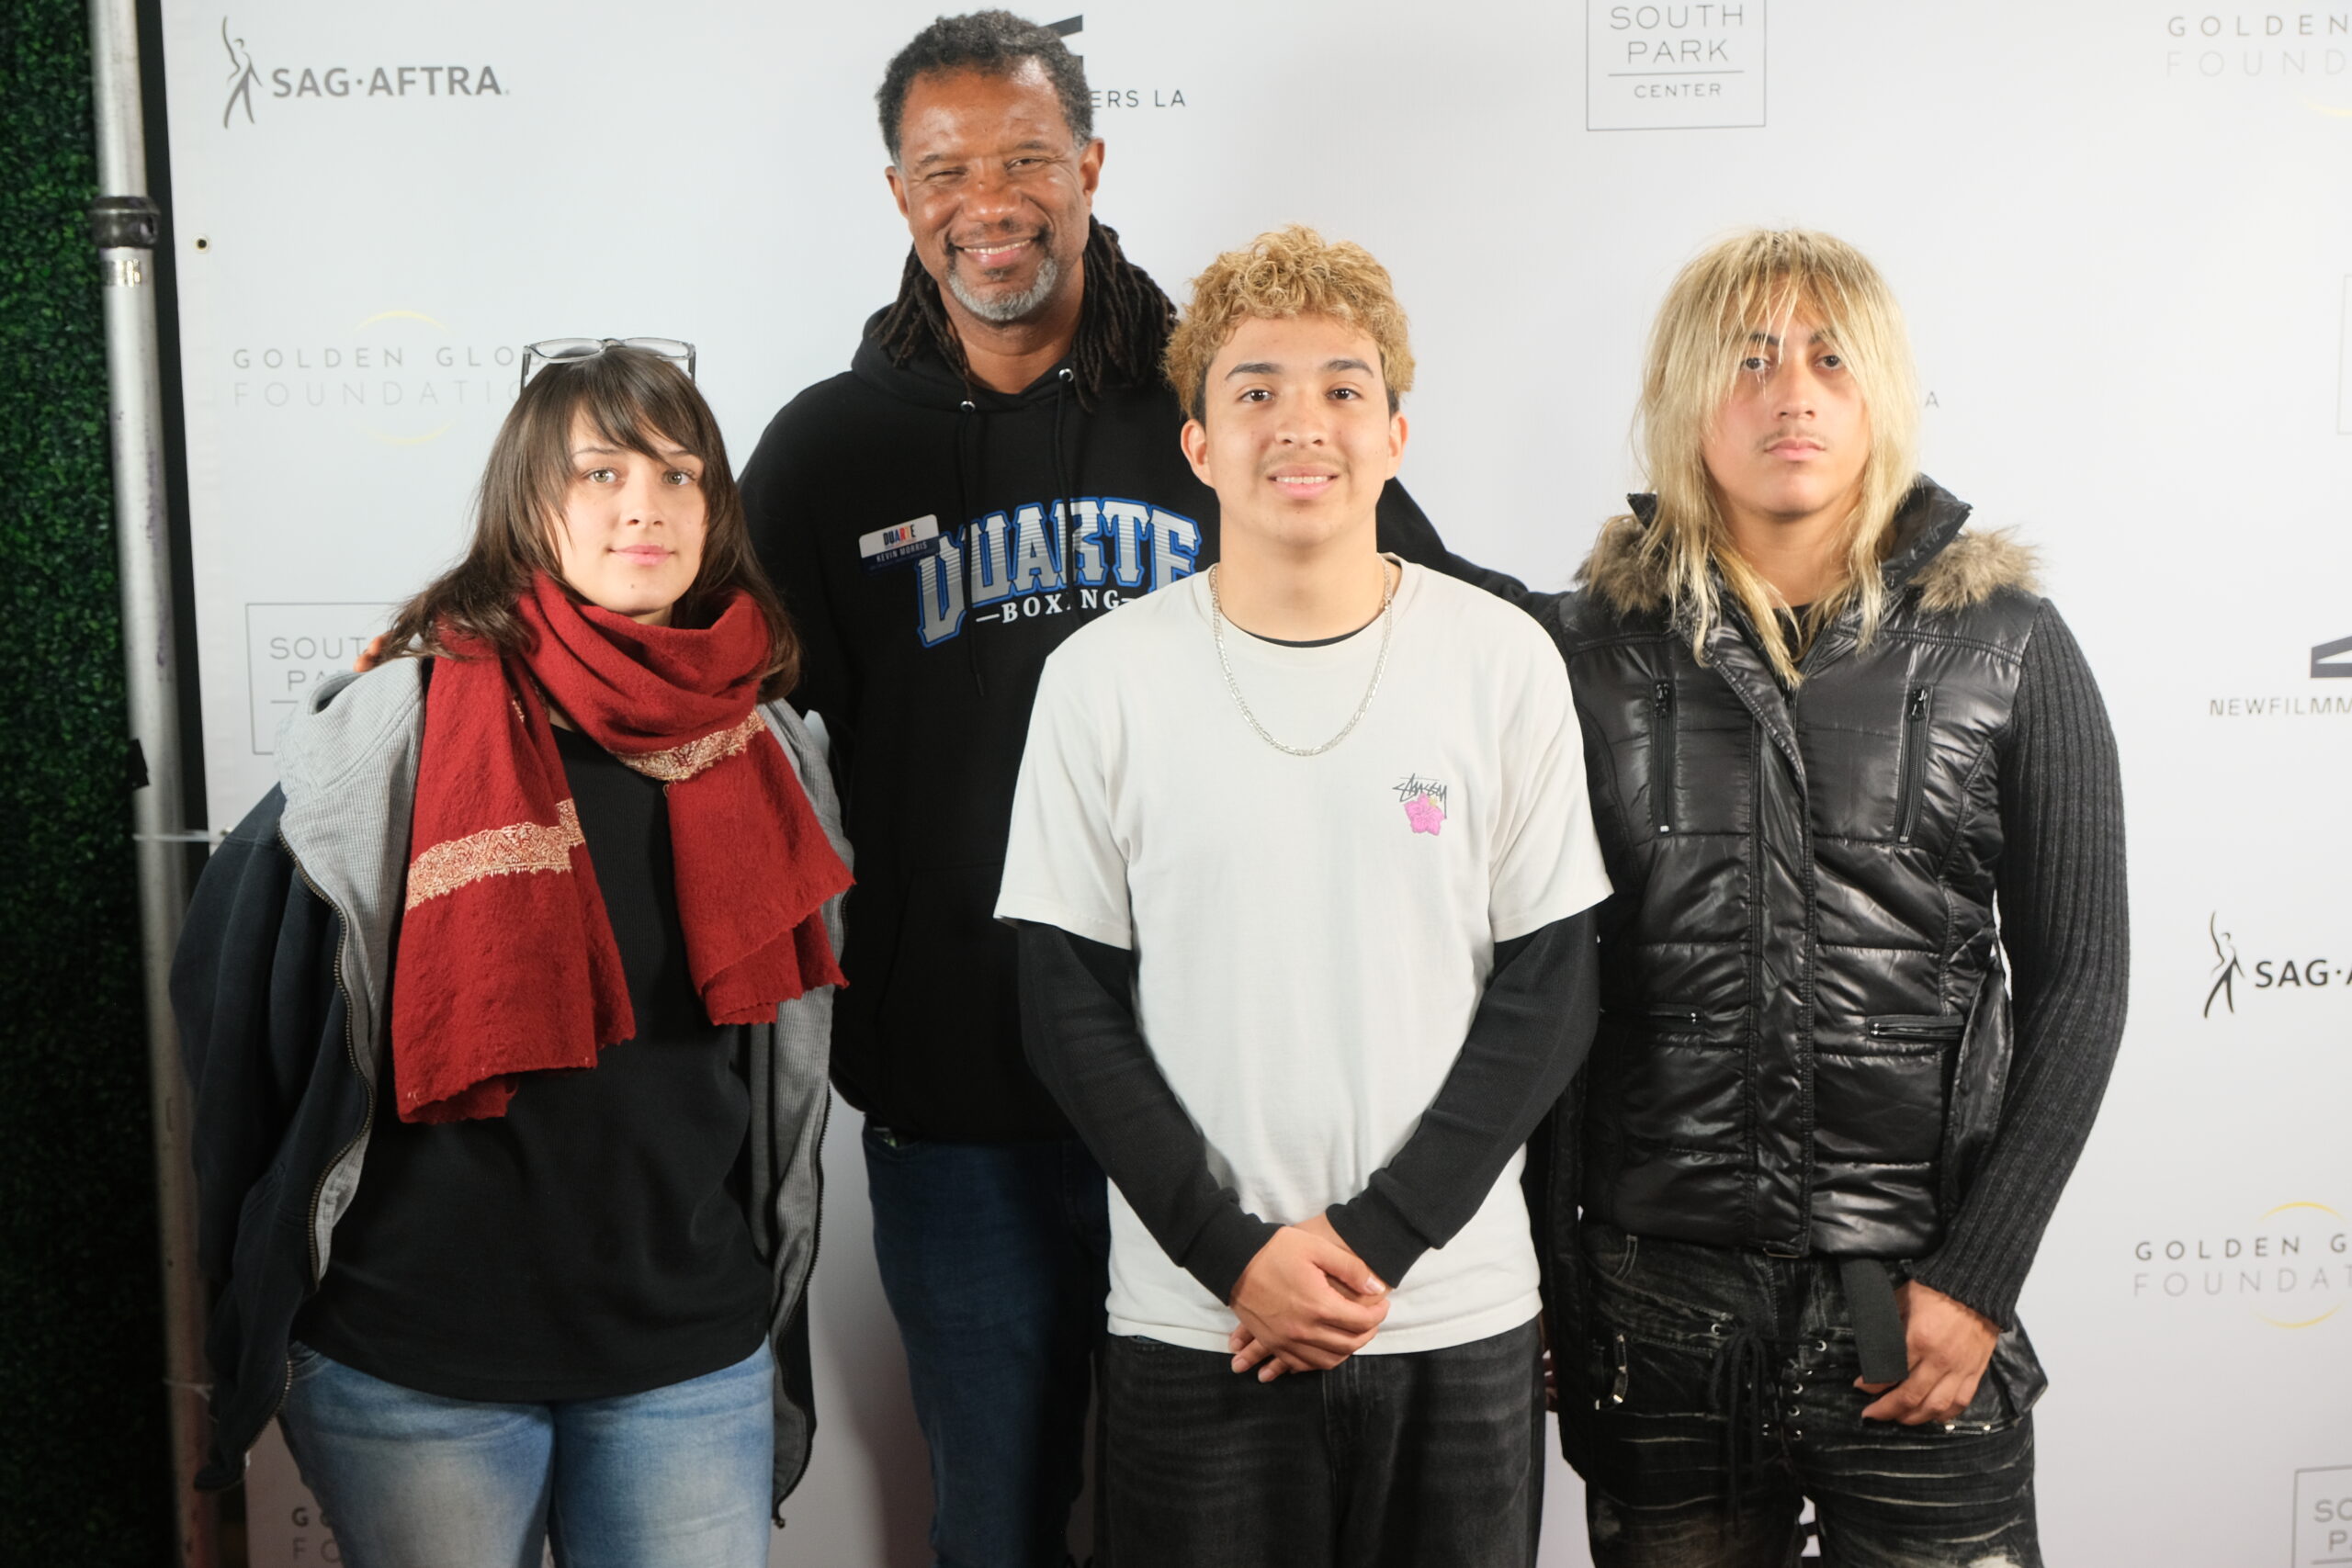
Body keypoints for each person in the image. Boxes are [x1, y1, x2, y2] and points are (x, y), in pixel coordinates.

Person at [734, 15, 1518, 1563]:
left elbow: (1433, 606)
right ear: (898, 195)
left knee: (1225, 1531)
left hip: (1228, 1107)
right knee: (1000, 1525)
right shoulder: (830, 453)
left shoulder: (1222, 404)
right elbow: (700, 674)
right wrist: (472, 642)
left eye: (1028, 158)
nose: (990, 202)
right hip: (965, 1103)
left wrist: (1650, 618)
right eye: (946, 170)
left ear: (1091, 165)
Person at [172, 342, 853, 1568]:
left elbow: (778, 1072)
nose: (646, 505)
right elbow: (238, 1027)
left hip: (686, 1352)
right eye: (601, 471)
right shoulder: (399, 728)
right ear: (529, 504)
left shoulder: (770, 749)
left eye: (680, 474)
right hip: (415, 1359)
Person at [995, 225, 1612, 1568]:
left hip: (1452, 1311)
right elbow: (1062, 1006)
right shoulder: (1101, 679)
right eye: (1256, 388)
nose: (1302, 423)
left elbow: (1554, 988)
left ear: (1395, 436)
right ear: (1199, 445)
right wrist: (1232, 1254)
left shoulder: (1501, 660)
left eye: (1342, 387)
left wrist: (1380, 1240)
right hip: (1196, 1318)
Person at [1533, 230, 2129, 1567]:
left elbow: (2083, 983)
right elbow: (1541, 989)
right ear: (1686, 394)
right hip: (1654, 1312)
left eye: (1829, 358)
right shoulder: (1581, 653)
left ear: (1883, 394)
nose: (1791, 394)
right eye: (1749, 358)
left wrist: (1980, 1277)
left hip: (1917, 1306)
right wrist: (1554, 1285)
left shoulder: (2011, 646)